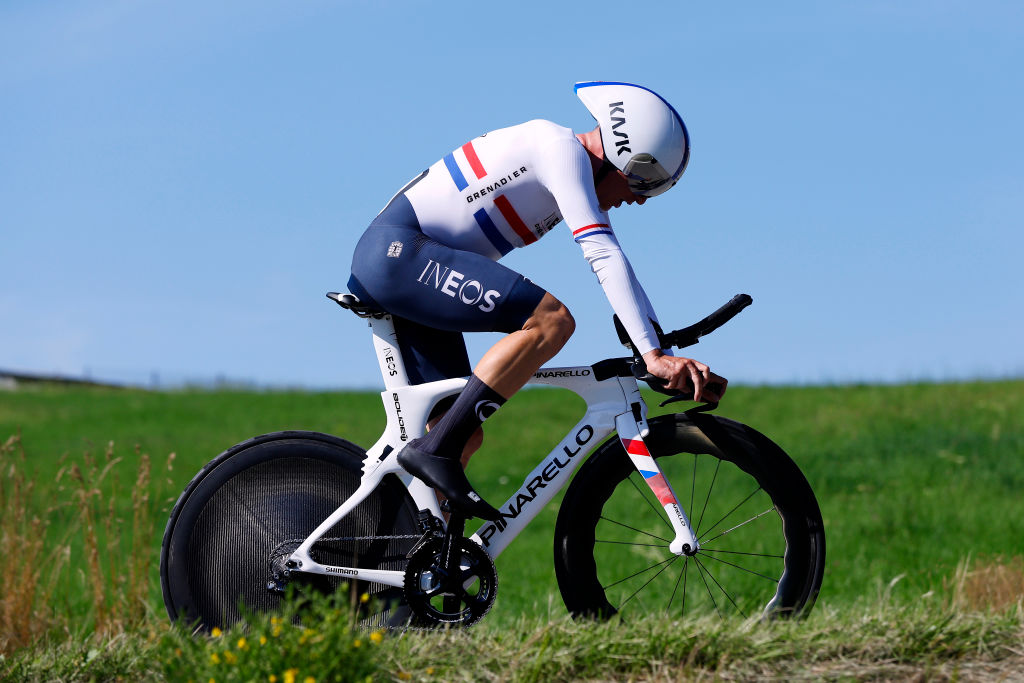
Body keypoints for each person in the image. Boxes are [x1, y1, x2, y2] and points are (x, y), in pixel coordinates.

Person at [347, 81, 727, 521]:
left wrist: (658, 352)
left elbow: (618, 264)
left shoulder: (569, 163)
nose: (639, 199)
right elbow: (602, 254)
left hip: (411, 262)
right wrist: (653, 353)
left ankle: (415, 571)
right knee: (551, 322)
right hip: (398, 255)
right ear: (622, 156)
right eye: (643, 182)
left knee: (462, 437)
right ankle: (434, 451)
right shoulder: (559, 149)